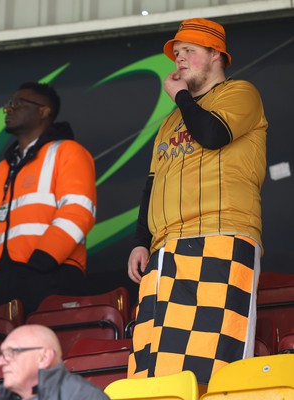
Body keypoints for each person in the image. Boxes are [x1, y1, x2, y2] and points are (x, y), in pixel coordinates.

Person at [127, 18, 267, 385]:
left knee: (213, 364)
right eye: (176, 54)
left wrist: (181, 98)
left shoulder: (240, 92)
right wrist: (141, 241)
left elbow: (212, 134)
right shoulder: (171, 120)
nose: (179, 60)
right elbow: (152, 184)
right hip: (164, 248)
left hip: (220, 238)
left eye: (189, 51)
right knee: (155, 365)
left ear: (216, 54)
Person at [0, 82, 97, 316]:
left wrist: (42, 262)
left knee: (46, 348)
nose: (9, 109)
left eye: (18, 104)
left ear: (44, 111)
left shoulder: (68, 152)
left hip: (51, 273)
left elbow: (78, 211)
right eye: (9, 105)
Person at [0, 324, 109, 400]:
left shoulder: (84, 397)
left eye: (11, 353)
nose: (0, 362)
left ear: (44, 358)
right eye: (2, 354)